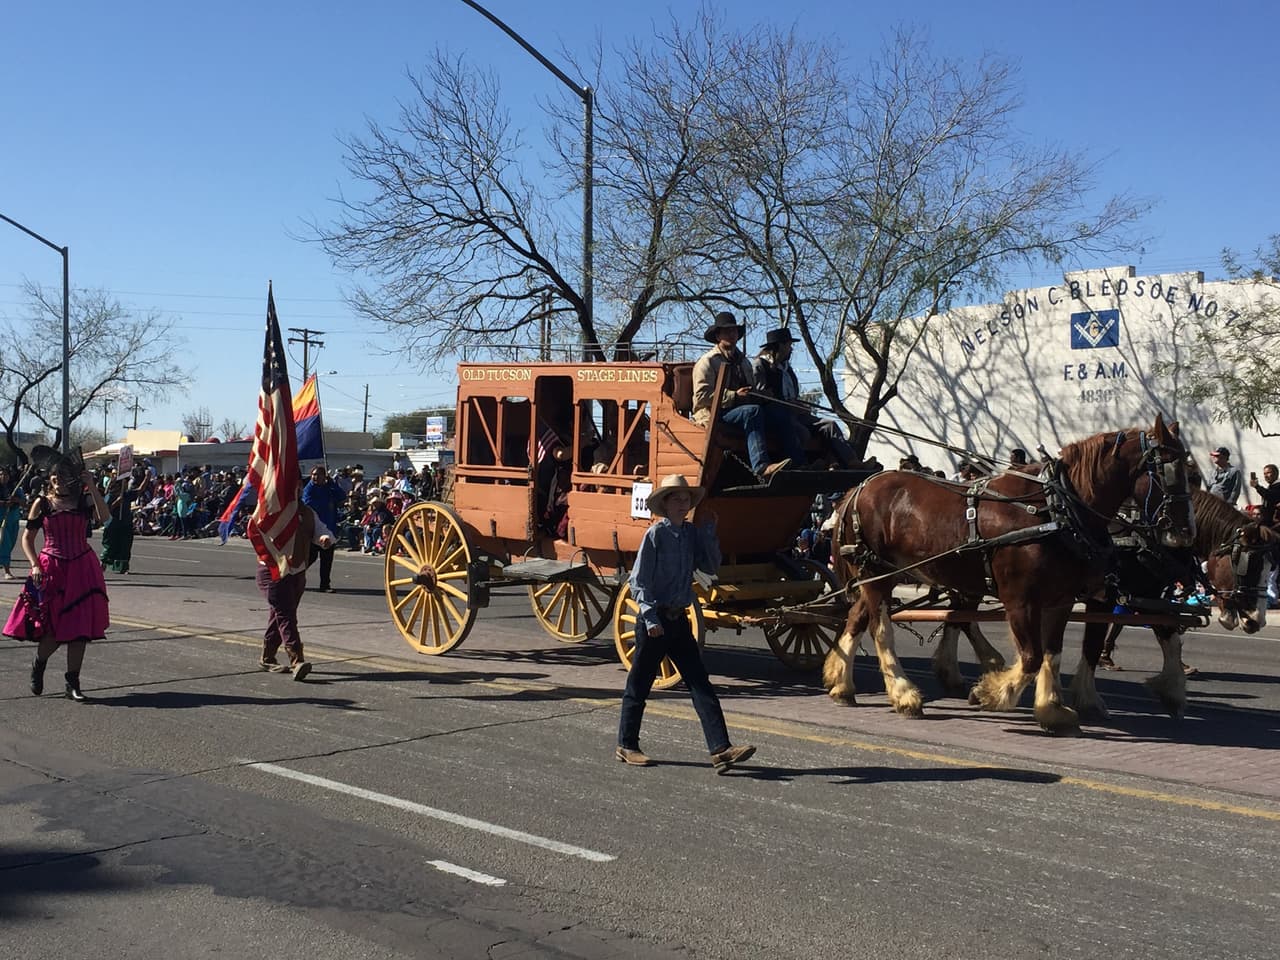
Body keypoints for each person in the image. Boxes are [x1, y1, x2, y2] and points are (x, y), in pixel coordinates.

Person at [616, 473, 757, 773]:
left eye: (686, 499)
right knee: (640, 684)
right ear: (665, 504)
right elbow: (638, 581)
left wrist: (709, 534)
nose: (683, 503)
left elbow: (709, 566)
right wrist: (650, 617)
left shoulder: (692, 534)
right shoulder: (655, 535)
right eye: (676, 499)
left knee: (699, 682)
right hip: (655, 622)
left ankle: (721, 749)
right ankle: (627, 745)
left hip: (679, 619)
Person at [3, 449, 110, 702]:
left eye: (64, 475)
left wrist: (92, 487)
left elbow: (105, 518)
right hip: (52, 568)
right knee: (54, 629)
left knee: (81, 629)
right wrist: (35, 565)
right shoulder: (43, 503)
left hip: (82, 567)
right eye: (55, 476)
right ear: (49, 478)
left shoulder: (83, 501)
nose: (59, 479)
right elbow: (27, 539)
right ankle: (39, 663)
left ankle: (72, 683)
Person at [691, 311, 797, 482]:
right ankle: (761, 466)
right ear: (718, 336)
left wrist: (761, 395)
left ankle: (798, 464)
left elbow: (751, 391)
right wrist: (734, 396)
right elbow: (701, 397)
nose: (732, 335)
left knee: (779, 412)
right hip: (715, 414)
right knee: (752, 412)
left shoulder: (743, 362)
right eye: (727, 331)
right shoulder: (707, 361)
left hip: (740, 411)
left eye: (734, 331)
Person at [250, 478, 336, 680]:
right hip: (272, 572)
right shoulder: (270, 511)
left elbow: (322, 532)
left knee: (279, 614)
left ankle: (268, 656)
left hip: (297, 572)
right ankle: (297, 659)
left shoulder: (307, 512)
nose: (294, 491)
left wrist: (325, 539)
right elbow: (255, 530)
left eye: (297, 487)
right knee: (286, 614)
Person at [753, 327, 857, 468]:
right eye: (789, 345)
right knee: (802, 432)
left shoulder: (787, 369)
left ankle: (851, 462)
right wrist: (789, 406)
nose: (791, 349)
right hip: (777, 416)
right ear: (779, 346)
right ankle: (803, 465)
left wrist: (800, 406)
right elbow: (761, 398)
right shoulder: (760, 366)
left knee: (829, 425)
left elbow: (793, 395)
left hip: (795, 414)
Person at [302, 464, 344, 592]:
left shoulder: (329, 488)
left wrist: (333, 484)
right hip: (314, 529)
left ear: (324, 477)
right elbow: (308, 503)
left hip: (329, 529)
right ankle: (293, 578)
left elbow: (342, 497)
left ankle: (325, 585)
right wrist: (327, 502)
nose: (315, 477)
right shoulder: (309, 489)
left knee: (327, 560)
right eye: (314, 474)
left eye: (318, 475)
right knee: (310, 557)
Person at [99, 475, 136, 573]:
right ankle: (103, 563)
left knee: (125, 546)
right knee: (110, 546)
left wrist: (147, 478)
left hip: (125, 524)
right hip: (112, 525)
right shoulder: (109, 496)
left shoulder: (126, 495)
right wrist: (116, 503)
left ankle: (123, 567)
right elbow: (106, 511)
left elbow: (140, 490)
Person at [0, 465, 26, 579]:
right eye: (1, 474)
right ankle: (7, 571)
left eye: (5, 474)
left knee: (11, 543)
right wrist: (4, 503)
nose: (3, 476)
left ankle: (4, 561)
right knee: (4, 542)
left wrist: (16, 500)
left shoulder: (16, 488)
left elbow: (24, 502)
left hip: (13, 518)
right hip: (1, 519)